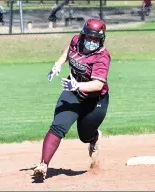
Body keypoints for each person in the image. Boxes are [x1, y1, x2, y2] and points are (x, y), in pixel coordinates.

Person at [33, 18, 111, 179]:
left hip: (94, 100)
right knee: (58, 126)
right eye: (89, 37)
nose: (91, 41)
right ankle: (43, 165)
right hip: (72, 92)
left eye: (96, 38)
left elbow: (97, 85)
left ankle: (94, 137)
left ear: (102, 39)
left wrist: (77, 86)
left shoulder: (102, 56)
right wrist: (58, 64)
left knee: (84, 135)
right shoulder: (76, 41)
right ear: (83, 35)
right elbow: (68, 51)